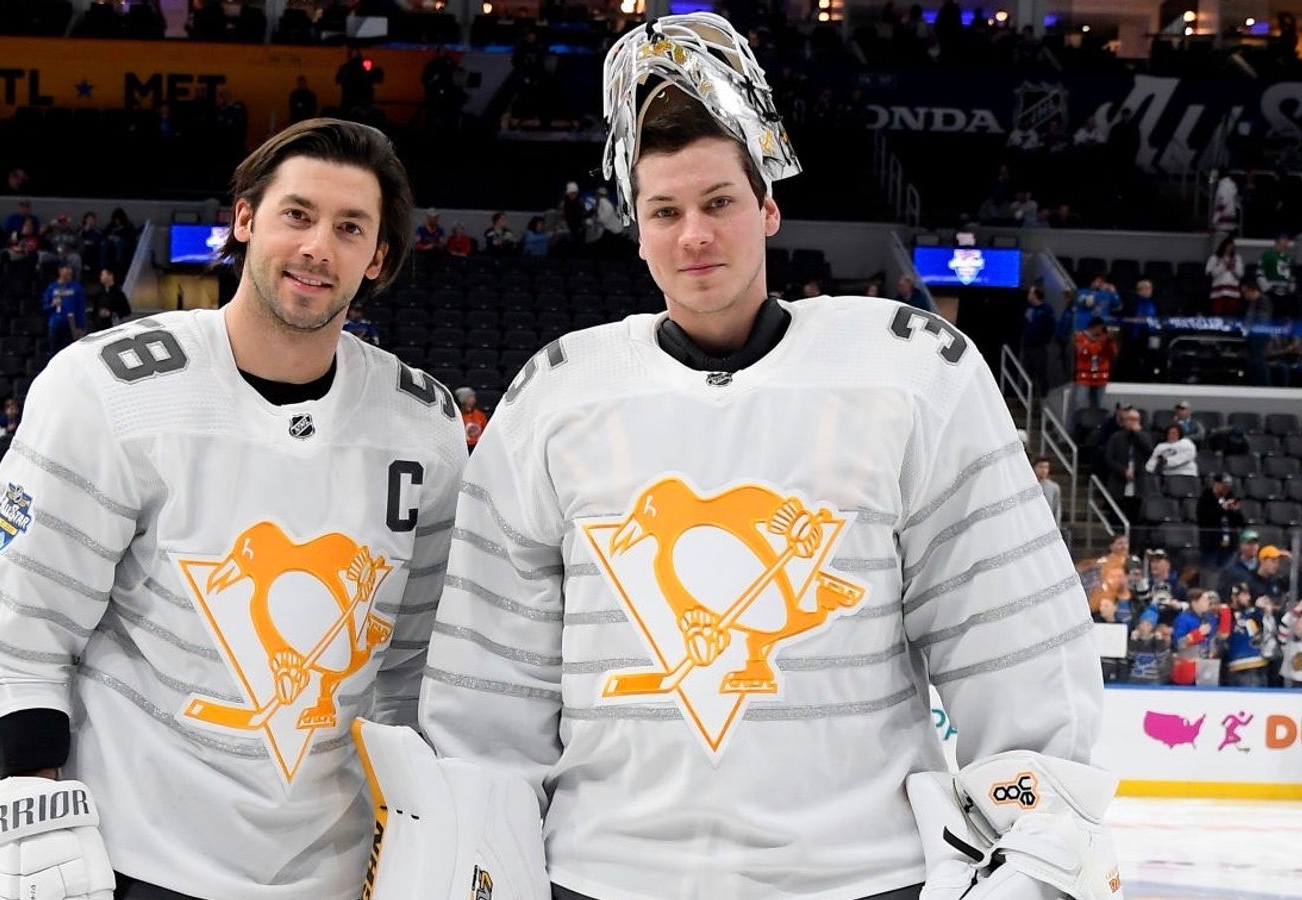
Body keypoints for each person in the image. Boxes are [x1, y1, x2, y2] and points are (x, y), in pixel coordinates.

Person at [413, 14, 1114, 900]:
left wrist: (1038, 843)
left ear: (769, 209)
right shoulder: (557, 393)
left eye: (719, 204)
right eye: (665, 211)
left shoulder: (910, 372)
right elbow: (491, 676)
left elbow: (1007, 635)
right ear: (636, 229)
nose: (694, 235)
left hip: (861, 878)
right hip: (603, 876)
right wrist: (485, 851)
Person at [0, 119, 466, 900]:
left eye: (350, 227)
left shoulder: (422, 421)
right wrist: (34, 801)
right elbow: (18, 618)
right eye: (297, 214)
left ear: (378, 257)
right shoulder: (108, 389)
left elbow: (417, 661)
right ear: (246, 219)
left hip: (337, 862)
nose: (318, 247)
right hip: (138, 856)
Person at [455, 385, 488, 451]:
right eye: (469, 397)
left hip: (478, 447)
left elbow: (486, 433)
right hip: (462, 448)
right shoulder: (457, 416)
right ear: (462, 400)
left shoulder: (480, 415)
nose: (473, 399)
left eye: (473, 396)